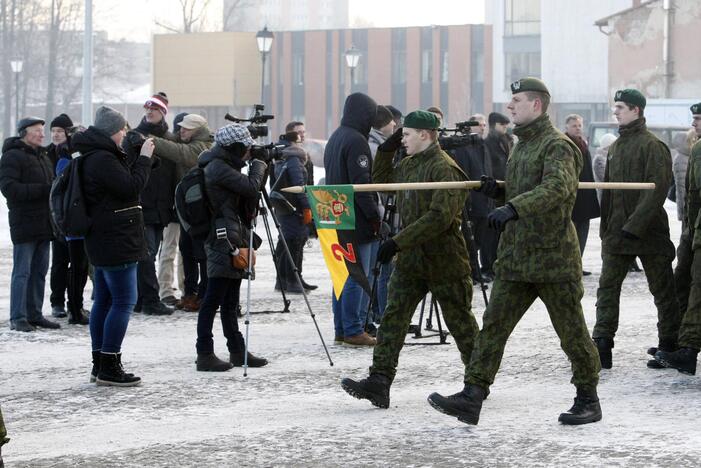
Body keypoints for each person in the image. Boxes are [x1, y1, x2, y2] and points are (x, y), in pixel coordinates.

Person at [428, 77, 601, 426]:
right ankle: (473, 395)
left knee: (572, 334)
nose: (510, 107)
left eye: (517, 100)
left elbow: (557, 188)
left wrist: (513, 207)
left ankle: (588, 398)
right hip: (516, 257)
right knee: (493, 327)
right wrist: (501, 193)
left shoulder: (558, 146)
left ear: (536, 105)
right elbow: (529, 189)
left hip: (552, 258)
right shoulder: (520, 145)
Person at [340, 110, 479, 409]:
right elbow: (381, 182)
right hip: (411, 261)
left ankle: (477, 383)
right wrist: (386, 149)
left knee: (461, 324)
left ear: (425, 135)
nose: (401, 139)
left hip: (445, 260)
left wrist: (397, 241)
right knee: (393, 319)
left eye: (406, 135)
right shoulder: (408, 165)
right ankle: (379, 381)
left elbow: (439, 218)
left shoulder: (446, 169)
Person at [591, 89, 680, 370]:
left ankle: (668, 345)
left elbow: (657, 191)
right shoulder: (615, 147)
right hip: (617, 234)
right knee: (607, 290)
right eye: (615, 107)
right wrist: (607, 229)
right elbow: (610, 194)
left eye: (620, 107)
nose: (615, 112)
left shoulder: (654, 146)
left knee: (663, 291)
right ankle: (602, 345)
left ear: (636, 110)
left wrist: (634, 226)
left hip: (649, 234)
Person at [73, 105, 154, 386]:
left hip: (103, 237)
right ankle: (109, 364)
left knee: (104, 300)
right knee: (123, 301)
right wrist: (144, 159)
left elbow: (118, 186)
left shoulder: (93, 156)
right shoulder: (102, 159)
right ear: (113, 131)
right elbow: (131, 187)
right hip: (116, 238)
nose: (125, 135)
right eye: (123, 130)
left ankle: (100, 363)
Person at [195, 123, 269, 371]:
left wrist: (258, 165)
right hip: (221, 239)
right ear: (234, 147)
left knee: (230, 301)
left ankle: (237, 351)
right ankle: (204, 353)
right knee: (212, 299)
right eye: (246, 148)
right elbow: (250, 187)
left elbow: (250, 194)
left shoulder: (225, 164)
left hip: (233, 234)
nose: (249, 152)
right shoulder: (217, 167)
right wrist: (260, 165)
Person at [323, 92, 382, 346]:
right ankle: (353, 329)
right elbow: (362, 185)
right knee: (358, 275)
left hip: (336, 214)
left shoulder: (335, 137)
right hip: (355, 218)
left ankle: (341, 328)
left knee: (342, 275)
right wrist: (374, 217)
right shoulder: (358, 141)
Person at [1, 117, 60, 332]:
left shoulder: (43, 156)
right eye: (37, 131)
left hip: (44, 223)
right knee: (22, 272)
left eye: (42, 131)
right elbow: (9, 188)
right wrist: (42, 190)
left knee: (39, 271)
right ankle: (18, 316)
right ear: (24, 132)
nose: (42, 135)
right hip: (24, 222)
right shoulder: (12, 156)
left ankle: (34, 314)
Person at [654, 102, 701, 375]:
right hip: (693, 229)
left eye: (697, 119)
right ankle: (677, 344)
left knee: (697, 289)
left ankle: (688, 350)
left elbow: (696, 193)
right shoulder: (695, 148)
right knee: (681, 281)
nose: (693, 124)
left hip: (695, 228)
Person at [150, 113, 214, 306]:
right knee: (186, 251)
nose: (181, 131)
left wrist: (149, 140)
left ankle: (201, 295)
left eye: (186, 128)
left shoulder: (202, 147)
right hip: (185, 210)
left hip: (200, 212)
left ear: (197, 131)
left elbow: (178, 151)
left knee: (199, 254)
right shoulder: (191, 143)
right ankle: (190, 293)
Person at [126, 93, 178, 316]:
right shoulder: (135, 137)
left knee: (151, 252)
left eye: (154, 109)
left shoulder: (170, 139)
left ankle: (139, 299)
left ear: (163, 113)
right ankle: (149, 299)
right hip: (142, 204)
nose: (149, 112)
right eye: (147, 109)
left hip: (161, 206)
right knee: (145, 254)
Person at [52, 119, 91, 326]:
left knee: (80, 268)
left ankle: (76, 306)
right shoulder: (67, 161)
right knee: (76, 268)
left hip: (76, 222)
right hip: (73, 223)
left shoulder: (74, 160)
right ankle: (74, 310)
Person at [271, 131, 314, 294]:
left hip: (284, 205)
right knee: (294, 243)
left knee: (288, 243)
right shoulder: (294, 158)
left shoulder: (280, 156)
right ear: (294, 143)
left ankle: (285, 280)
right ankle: (291, 280)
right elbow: (299, 185)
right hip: (294, 208)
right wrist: (307, 207)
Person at [158, 111, 189, 306]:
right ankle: (166, 289)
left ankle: (179, 288)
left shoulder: (184, 148)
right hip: (171, 206)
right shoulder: (172, 148)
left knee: (181, 251)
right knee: (170, 249)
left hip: (183, 207)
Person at [564, 114, 600, 276]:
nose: (577, 128)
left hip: (585, 193)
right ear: (567, 127)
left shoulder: (583, 143)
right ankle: (568, 264)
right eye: (574, 126)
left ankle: (577, 263)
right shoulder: (564, 144)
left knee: (583, 229)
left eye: (579, 125)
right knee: (570, 231)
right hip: (572, 194)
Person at [46, 113, 74, 318]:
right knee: (59, 262)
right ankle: (57, 302)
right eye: (53, 131)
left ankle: (75, 301)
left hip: (75, 214)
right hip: (55, 216)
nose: (56, 135)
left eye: (60, 131)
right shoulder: (46, 154)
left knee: (78, 263)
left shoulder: (76, 153)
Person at [592, 133, 617, 203]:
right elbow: (605, 178)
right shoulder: (599, 159)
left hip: (611, 194)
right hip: (605, 194)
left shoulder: (610, 157)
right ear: (607, 146)